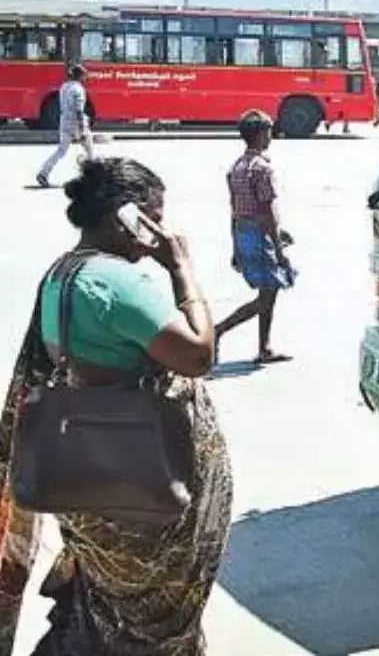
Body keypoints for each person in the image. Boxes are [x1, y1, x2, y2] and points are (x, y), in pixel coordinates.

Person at [0, 157, 230, 654]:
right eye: (155, 217)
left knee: (108, 598)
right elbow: (197, 354)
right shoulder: (117, 282)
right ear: (126, 216)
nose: (161, 230)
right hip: (137, 478)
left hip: (88, 472)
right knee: (152, 615)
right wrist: (181, 268)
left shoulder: (62, 274)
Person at [215, 110, 295, 365]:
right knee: (267, 296)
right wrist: (279, 250)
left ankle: (264, 347)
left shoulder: (237, 167)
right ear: (261, 135)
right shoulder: (262, 169)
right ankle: (219, 330)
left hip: (243, 231)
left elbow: (234, 208)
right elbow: (268, 211)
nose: (270, 137)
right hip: (261, 235)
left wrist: (235, 246)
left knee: (267, 293)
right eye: (268, 132)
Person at [35, 63, 94, 188]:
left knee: (61, 150)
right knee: (90, 150)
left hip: (64, 120)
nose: (85, 78)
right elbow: (79, 110)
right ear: (79, 76)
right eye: (84, 75)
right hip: (76, 122)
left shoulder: (64, 87)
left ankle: (43, 172)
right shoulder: (79, 89)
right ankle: (94, 177)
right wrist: (82, 129)